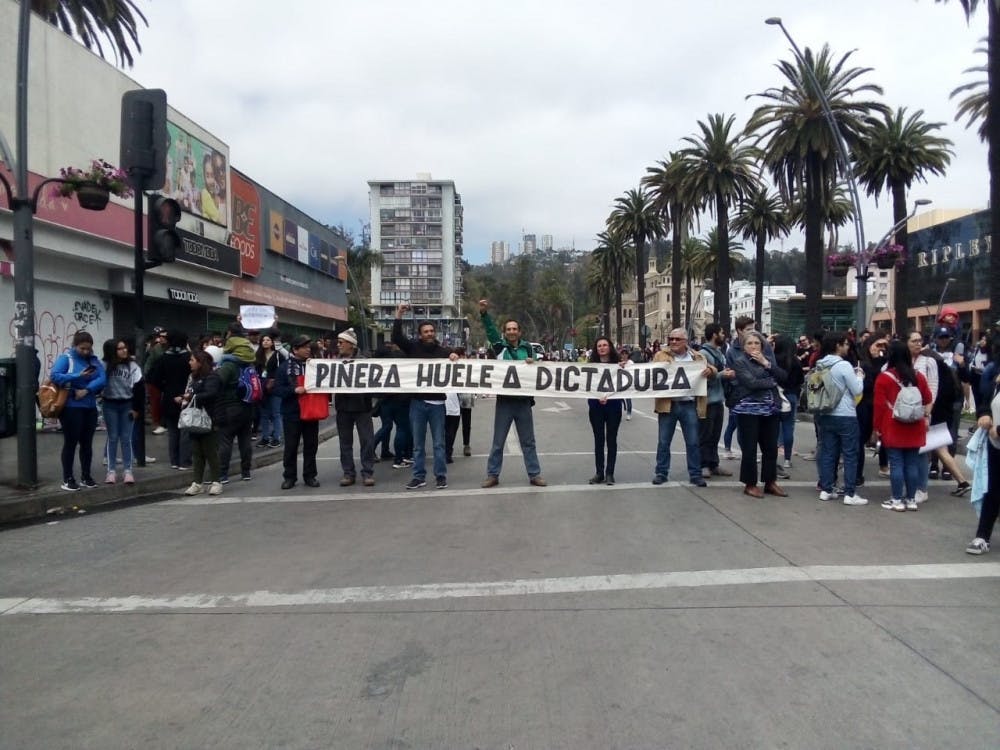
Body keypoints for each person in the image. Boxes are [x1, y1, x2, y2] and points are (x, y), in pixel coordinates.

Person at [478, 299, 547, 488]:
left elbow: (538, 371)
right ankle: (493, 474)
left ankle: (534, 474)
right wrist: (484, 314)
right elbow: (491, 331)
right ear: (505, 332)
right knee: (498, 441)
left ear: (519, 332)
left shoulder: (528, 348)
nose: (511, 332)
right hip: (505, 402)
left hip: (524, 402)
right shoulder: (500, 347)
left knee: (528, 441)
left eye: (514, 329)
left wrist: (533, 364)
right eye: (508, 329)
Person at [392, 304, 459, 490]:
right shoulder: (412, 348)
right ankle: (418, 476)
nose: (429, 334)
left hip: (438, 404)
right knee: (417, 445)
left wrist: (454, 357)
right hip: (417, 404)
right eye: (425, 331)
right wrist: (399, 314)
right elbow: (396, 337)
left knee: (439, 444)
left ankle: (440, 476)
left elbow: (458, 366)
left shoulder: (444, 353)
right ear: (420, 335)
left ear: (434, 333)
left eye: (431, 331)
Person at [651, 328, 716, 488]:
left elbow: (714, 369)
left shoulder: (697, 356)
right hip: (668, 404)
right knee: (664, 442)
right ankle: (661, 473)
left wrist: (711, 371)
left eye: (677, 339)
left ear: (685, 341)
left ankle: (695, 474)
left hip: (689, 405)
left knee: (693, 442)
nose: (673, 342)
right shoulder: (660, 355)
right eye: (671, 338)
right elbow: (647, 372)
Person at [873, 340, 932, 512]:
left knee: (896, 464)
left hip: (893, 425)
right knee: (912, 464)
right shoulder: (918, 376)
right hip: (915, 425)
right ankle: (911, 499)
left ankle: (897, 499)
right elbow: (928, 399)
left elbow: (879, 406)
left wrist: (876, 428)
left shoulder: (884, 378)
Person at [728, 330, 786, 497]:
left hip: (770, 409)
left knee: (770, 449)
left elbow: (783, 376)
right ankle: (750, 484)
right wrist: (771, 380)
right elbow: (751, 383)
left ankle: (770, 481)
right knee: (750, 448)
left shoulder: (767, 360)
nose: (753, 346)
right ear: (744, 347)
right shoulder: (740, 362)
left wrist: (766, 364)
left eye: (757, 343)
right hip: (748, 410)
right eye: (749, 343)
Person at [813, 331, 867, 506]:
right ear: (838, 345)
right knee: (850, 454)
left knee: (829, 453)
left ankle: (827, 489)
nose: (847, 347)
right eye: (845, 344)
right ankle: (850, 493)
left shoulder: (820, 364)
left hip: (825, 413)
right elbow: (857, 389)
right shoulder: (843, 366)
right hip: (845, 414)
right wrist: (859, 376)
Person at [50, 331, 107, 491]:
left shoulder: (93, 360)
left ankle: (86, 476)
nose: (85, 352)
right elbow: (55, 376)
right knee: (71, 443)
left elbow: (102, 378)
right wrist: (77, 375)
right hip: (71, 407)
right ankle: (68, 478)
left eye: (88, 349)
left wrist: (87, 390)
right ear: (75, 346)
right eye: (82, 349)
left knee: (87, 444)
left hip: (89, 406)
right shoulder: (66, 358)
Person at [275, 335, 321, 489]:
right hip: (292, 412)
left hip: (311, 411)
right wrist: (294, 390)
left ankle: (310, 475)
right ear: (295, 349)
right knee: (291, 446)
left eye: (309, 347)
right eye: (304, 347)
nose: (308, 350)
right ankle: (289, 476)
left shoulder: (314, 366)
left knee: (311, 445)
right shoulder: (284, 367)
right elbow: (277, 389)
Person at [967, 344, 1000, 554]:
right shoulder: (995, 373)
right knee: (993, 490)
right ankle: (982, 536)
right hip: (995, 443)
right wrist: (984, 413)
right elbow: (984, 399)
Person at [333, 328, 376, 486]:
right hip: (343, 407)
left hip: (362, 407)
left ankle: (367, 472)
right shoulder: (333, 363)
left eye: (341, 342)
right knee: (345, 442)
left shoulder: (365, 361)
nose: (338, 345)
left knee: (367, 441)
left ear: (351, 344)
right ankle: (348, 473)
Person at [215, 322, 256, 483]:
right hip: (248, 404)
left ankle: (223, 474)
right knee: (245, 440)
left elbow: (218, 383)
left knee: (226, 440)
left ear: (230, 335)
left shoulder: (229, 363)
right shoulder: (249, 359)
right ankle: (246, 472)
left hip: (230, 405)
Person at [147, 330, 192, 470]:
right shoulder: (189, 358)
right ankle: (185, 461)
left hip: (169, 398)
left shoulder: (163, 358)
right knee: (185, 430)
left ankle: (174, 461)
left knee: (173, 431)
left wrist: (165, 387)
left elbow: (153, 379)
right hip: (187, 397)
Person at [180, 350, 223, 496]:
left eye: (192, 360)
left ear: (200, 362)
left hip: (209, 419)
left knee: (210, 451)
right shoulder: (193, 377)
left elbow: (211, 394)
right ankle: (197, 483)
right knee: (197, 453)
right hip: (195, 419)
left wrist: (192, 396)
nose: (189, 362)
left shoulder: (212, 377)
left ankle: (217, 481)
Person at [101, 338, 143, 485]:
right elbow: (98, 382)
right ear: (112, 351)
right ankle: (111, 472)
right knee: (112, 438)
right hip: (110, 404)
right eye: (120, 348)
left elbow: (139, 388)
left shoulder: (132, 366)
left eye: (125, 347)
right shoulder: (104, 365)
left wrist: (137, 409)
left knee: (126, 438)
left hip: (127, 404)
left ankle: (128, 471)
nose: (124, 350)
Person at [587, 337, 625, 485]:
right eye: (599, 346)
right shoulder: (591, 366)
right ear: (596, 349)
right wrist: (598, 397)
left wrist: (623, 368)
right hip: (596, 407)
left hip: (614, 406)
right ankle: (599, 472)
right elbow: (587, 386)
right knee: (598, 440)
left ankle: (610, 473)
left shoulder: (619, 365)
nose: (602, 348)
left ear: (610, 347)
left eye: (605, 345)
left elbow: (625, 384)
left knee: (611, 440)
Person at [698, 323, 733, 479]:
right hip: (707, 400)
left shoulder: (719, 353)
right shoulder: (703, 354)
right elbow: (702, 378)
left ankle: (713, 463)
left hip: (718, 400)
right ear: (714, 335)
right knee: (705, 434)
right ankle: (703, 464)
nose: (724, 335)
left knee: (715, 434)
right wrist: (722, 375)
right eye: (721, 332)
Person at [855, 333, 889, 485]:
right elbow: (863, 386)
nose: (881, 349)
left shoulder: (887, 364)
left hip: (882, 407)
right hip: (865, 406)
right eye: (878, 345)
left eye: (884, 346)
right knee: (859, 440)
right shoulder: (863, 364)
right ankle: (857, 474)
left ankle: (884, 465)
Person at [772, 334, 804, 478]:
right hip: (791, 395)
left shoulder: (773, 360)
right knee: (788, 427)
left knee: (773, 428)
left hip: (777, 395)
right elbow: (800, 380)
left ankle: (773, 458)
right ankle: (787, 459)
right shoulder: (796, 362)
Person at [255, 333, 285, 448]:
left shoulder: (278, 355)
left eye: (268, 340)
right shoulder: (258, 355)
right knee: (264, 414)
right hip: (262, 387)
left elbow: (282, 370)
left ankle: (276, 437)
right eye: (263, 340)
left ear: (272, 342)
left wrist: (275, 380)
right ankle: (265, 437)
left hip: (275, 387)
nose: (265, 342)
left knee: (276, 413)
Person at [144, 327, 167, 434]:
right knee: (155, 401)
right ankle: (157, 423)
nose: (161, 338)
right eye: (160, 336)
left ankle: (163, 423)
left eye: (164, 337)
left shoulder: (170, 348)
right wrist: (146, 375)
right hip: (154, 379)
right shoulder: (155, 348)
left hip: (166, 379)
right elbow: (149, 363)